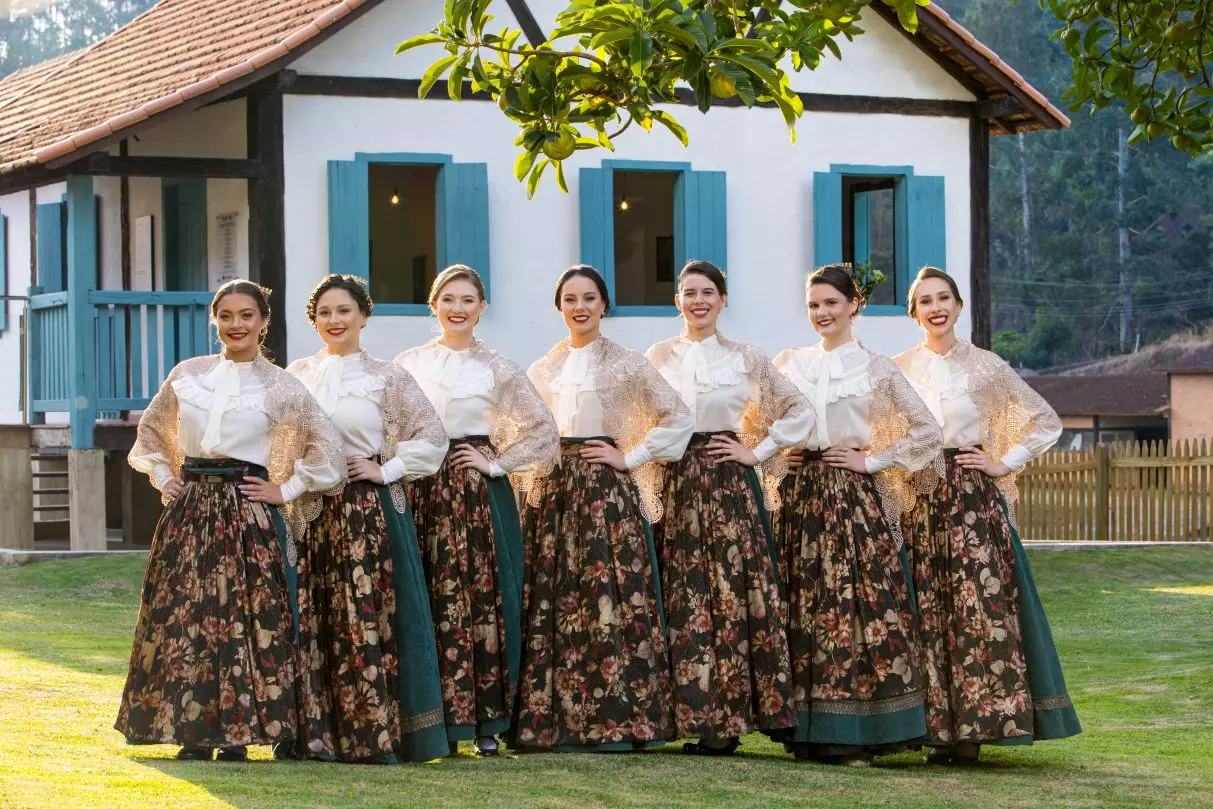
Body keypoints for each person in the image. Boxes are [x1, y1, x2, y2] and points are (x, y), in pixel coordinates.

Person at [117, 280, 344, 762]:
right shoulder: (188, 375)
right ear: (214, 320)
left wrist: (285, 489)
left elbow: (327, 451)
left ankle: (239, 736)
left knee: (244, 620)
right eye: (226, 315)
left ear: (264, 321)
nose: (235, 325)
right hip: (190, 512)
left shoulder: (282, 386)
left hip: (247, 510)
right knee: (189, 617)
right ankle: (193, 733)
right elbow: (152, 434)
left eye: (246, 315)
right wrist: (164, 476)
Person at [895, 266, 1081, 764]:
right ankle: (931, 728)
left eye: (944, 299)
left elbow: (1044, 420)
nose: (936, 308)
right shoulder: (896, 369)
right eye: (925, 301)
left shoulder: (986, 367)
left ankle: (974, 729)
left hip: (969, 499)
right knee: (921, 609)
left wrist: (1003, 463)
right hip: (915, 496)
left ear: (958, 306)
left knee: (974, 609)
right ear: (913, 313)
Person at [512, 265, 693, 751]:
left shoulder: (628, 363)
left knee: (607, 595)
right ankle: (552, 723)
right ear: (559, 307)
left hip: (605, 490)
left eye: (589, 298)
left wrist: (628, 456)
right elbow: (522, 428)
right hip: (552, 489)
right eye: (570, 298)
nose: (580, 307)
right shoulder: (541, 368)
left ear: (604, 304)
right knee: (554, 597)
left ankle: (618, 721)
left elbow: (678, 416)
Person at [772, 264, 942, 766]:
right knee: (803, 608)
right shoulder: (788, 364)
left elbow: (926, 431)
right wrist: (784, 452)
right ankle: (807, 733)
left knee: (852, 610)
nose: (822, 313)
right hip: (801, 497)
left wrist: (873, 459)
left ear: (854, 306)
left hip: (852, 498)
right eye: (813, 305)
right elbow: (758, 422)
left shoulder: (877, 368)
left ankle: (856, 736)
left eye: (830, 303)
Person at [644, 260, 809, 756]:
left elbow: (799, 409)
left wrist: (756, 452)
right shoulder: (656, 356)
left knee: (730, 595)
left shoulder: (747, 357)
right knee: (681, 595)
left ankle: (728, 722)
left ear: (723, 299)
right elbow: (633, 415)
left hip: (729, 485)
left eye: (708, 292)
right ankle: (685, 716)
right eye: (689, 292)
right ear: (677, 300)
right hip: (674, 483)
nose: (699, 301)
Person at [285, 274, 451, 764]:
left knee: (364, 617)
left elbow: (432, 438)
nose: (334, 321)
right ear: (314, 321)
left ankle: (371, 732)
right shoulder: (297, 375)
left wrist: (388, 469)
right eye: (324, 313)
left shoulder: (388, 377)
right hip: (312, 513)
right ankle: (314, 735)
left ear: (363, 315)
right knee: (314, 615)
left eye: (344, 311)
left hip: (364, 514)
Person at [397, 265, 559, 757]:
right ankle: (427, 721)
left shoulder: (499, 368)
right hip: (417, 488)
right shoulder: (407, 363)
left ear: (482, 308)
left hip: (472, 494)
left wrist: (495, 463)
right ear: (433, 305)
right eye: (448, 299)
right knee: (423, 598)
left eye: (467, 300)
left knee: (476, 601)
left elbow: (542, 432)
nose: (457, 308)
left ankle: (483, 722)